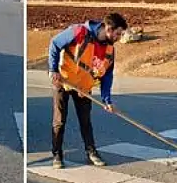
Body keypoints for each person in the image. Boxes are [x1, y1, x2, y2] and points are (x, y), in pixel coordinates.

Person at [47, 13, 128, 169]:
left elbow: (107, 76)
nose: (119, 37)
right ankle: (57, 154)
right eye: (118, 34)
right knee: (59, 121)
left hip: (83, 88)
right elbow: (55, 44)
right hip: (63, 81)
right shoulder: (79, 32)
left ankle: (91, 152)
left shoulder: (110, 50)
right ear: (109, 29)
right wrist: (53, 69)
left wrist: (106, 100)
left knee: (85, 121)